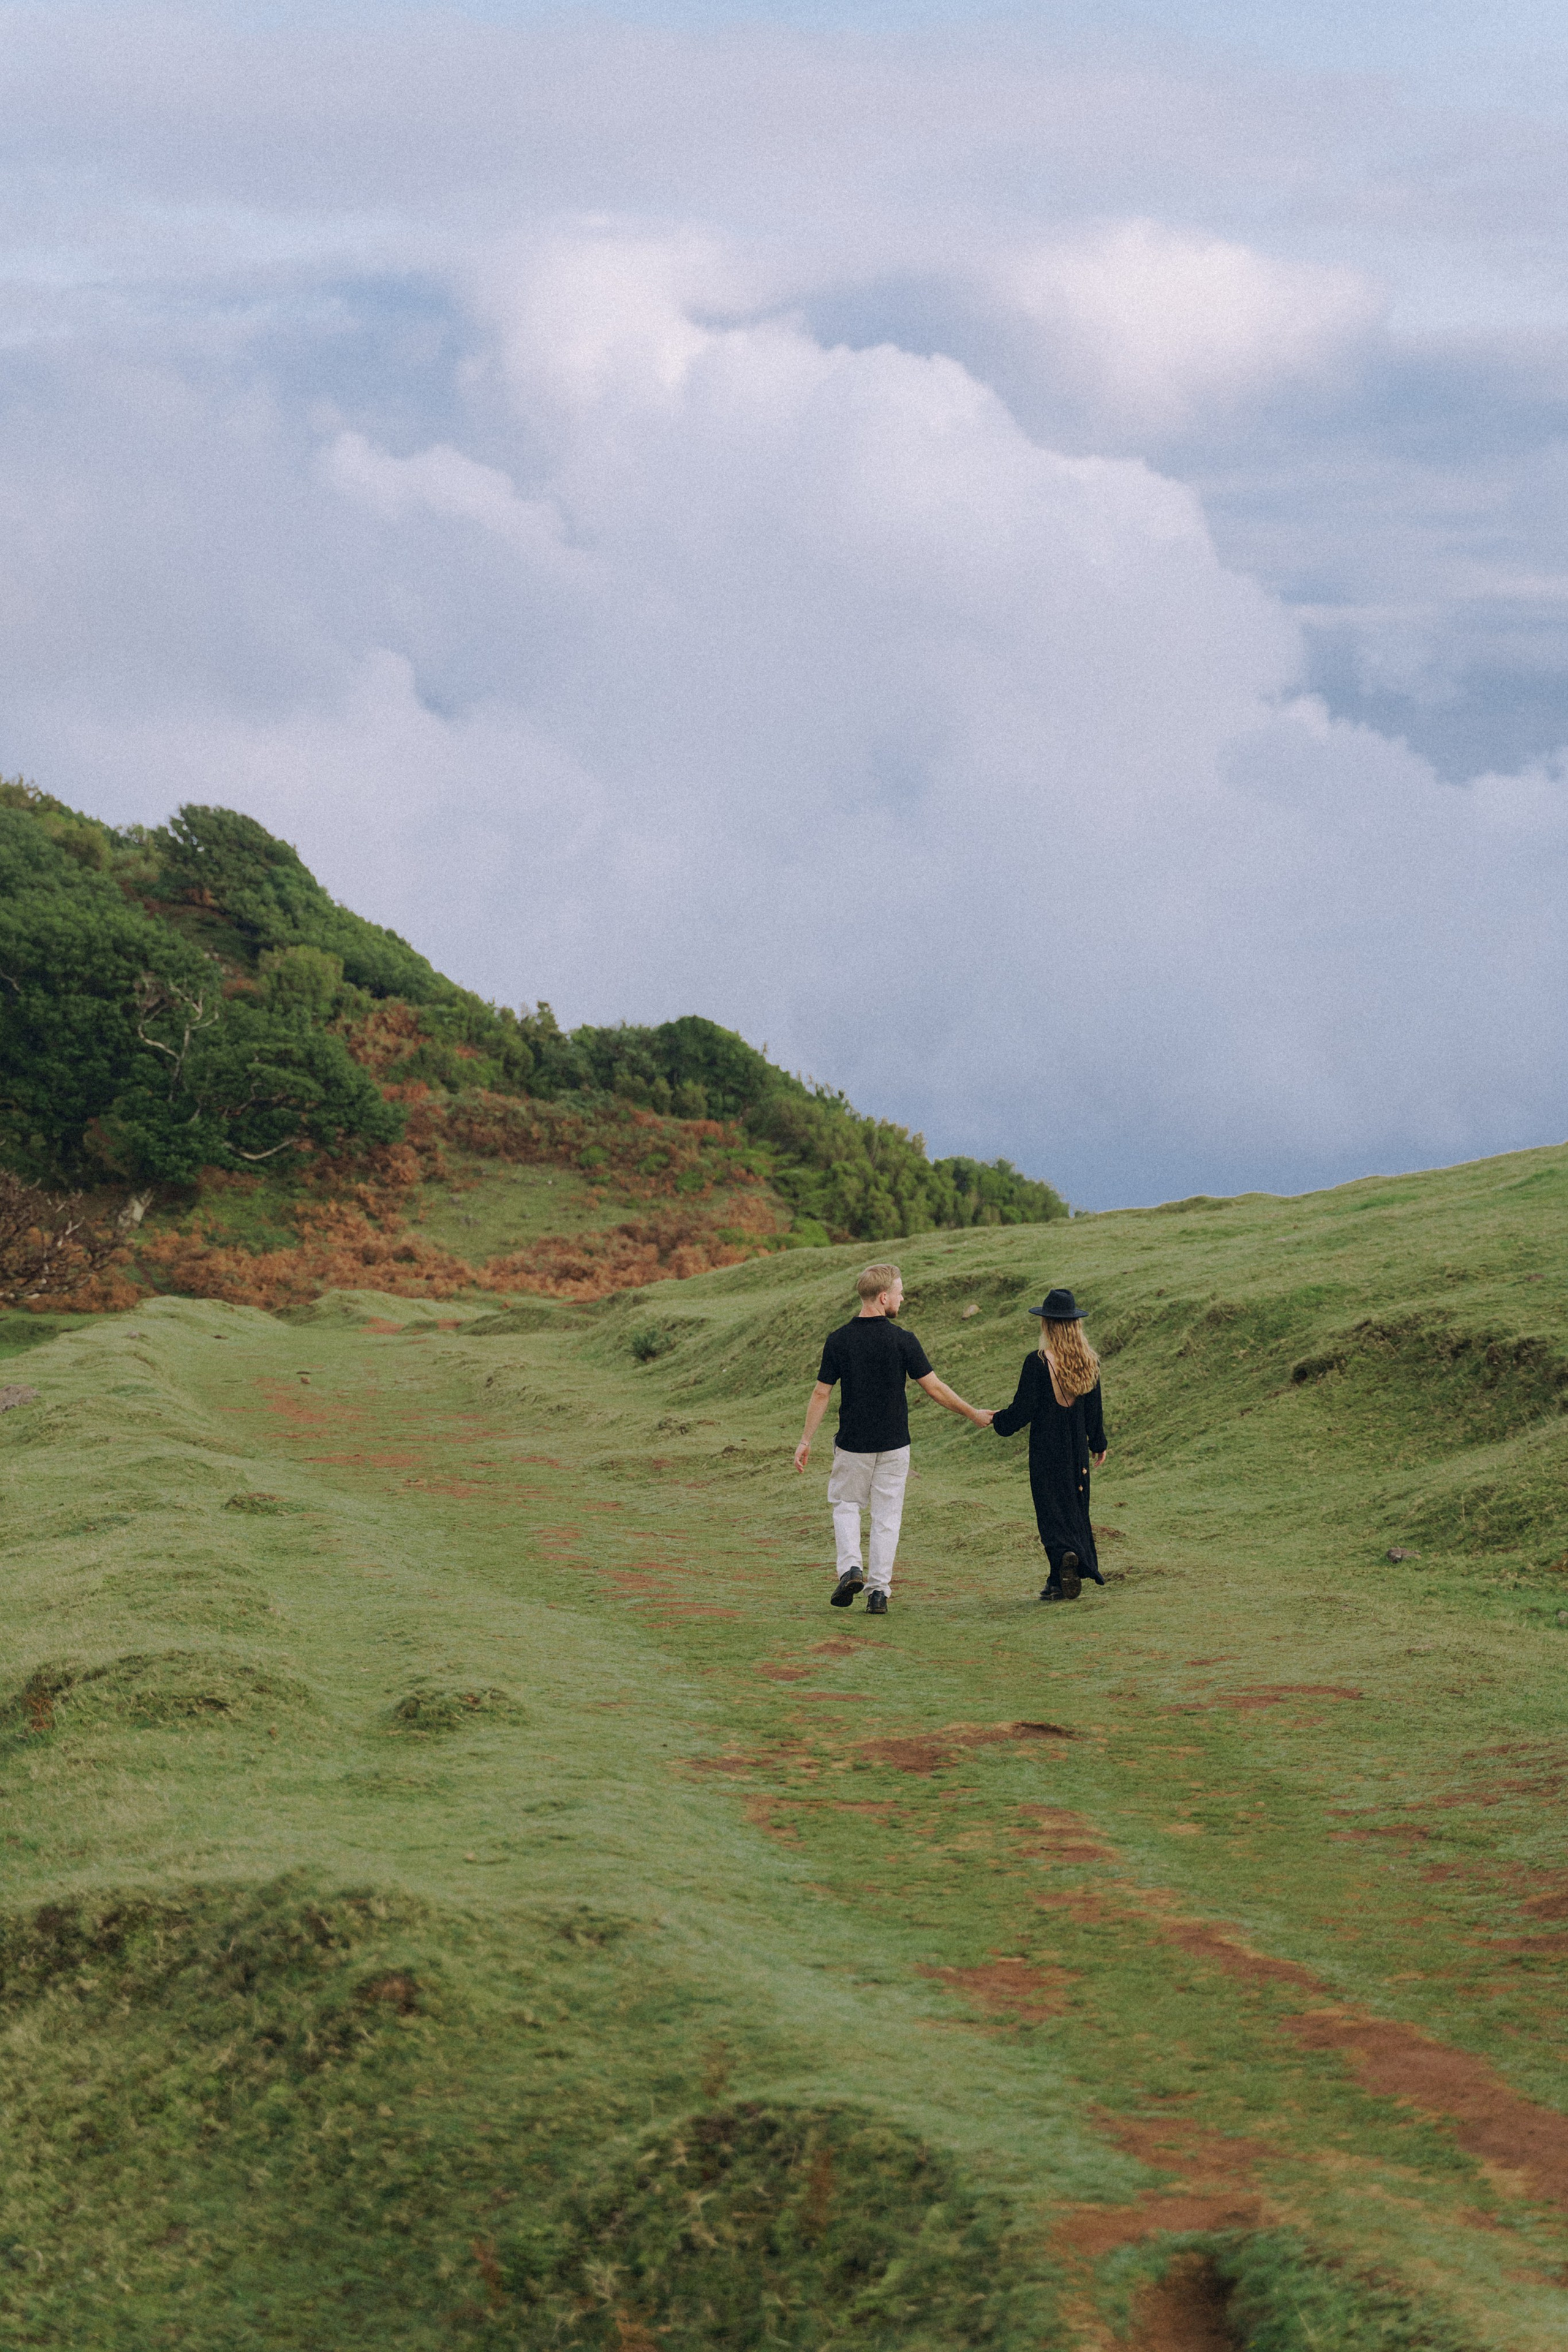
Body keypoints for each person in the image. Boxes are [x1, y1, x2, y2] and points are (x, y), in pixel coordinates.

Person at [794, 1261, 992, 1615]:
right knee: (886, 1517)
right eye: (900, 1293)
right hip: (894, 1444)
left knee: (846, 1505)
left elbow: (821, 1394)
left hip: (853, 1443)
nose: (904, 1298)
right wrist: (973, 1413)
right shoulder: (903, 1341)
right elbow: (935, 1389)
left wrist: (806, 1440)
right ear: (884, 1297)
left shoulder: (838, 1340)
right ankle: (878, 1593)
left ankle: (850, 1568)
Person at [989, 1287, 1109, 1602]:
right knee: (1074, 1509)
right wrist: (1099, 1443)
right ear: (1075, 1325)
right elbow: (1094, 1412)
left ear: (1048, 1324)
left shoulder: (1039, 1362)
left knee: (1050, 1512)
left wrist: (997, 1421)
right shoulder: (1090, 1362)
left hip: (1046, 1451)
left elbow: (1023, 1410)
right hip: (1077, 1452)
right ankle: (1060, 1575)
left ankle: (1061, 1569)